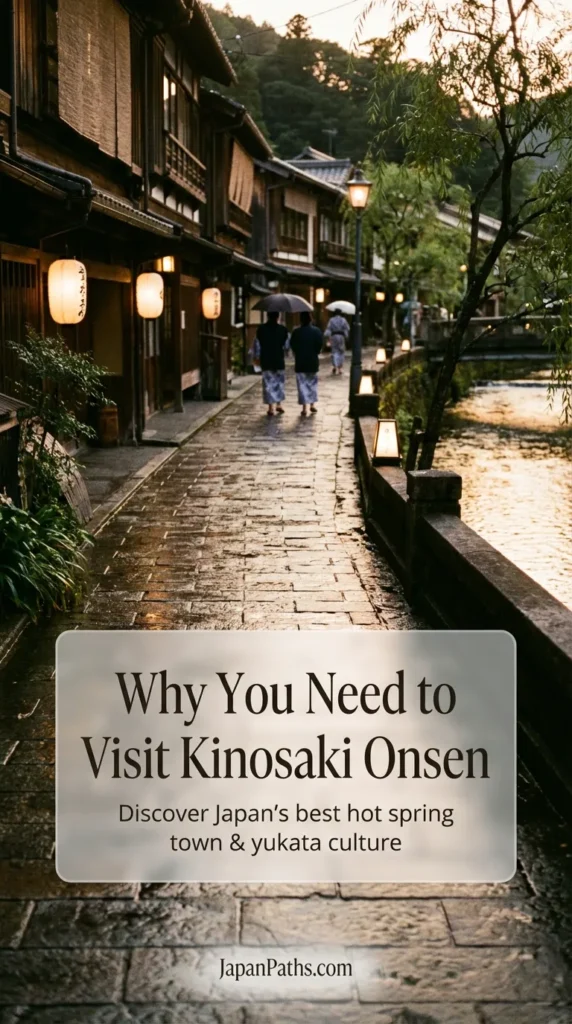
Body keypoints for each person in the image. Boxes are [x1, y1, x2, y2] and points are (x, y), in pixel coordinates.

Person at [253, 311, 289, 416]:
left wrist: (256, 357)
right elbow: (286, 346)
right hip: (278, 358)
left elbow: (257, 344)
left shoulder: (261, 329)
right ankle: (279, 404)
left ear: (267, 316)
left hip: (266, 358)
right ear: (278, 317)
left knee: (268, 384)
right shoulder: (283, 330)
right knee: (279, 383)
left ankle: (270, 408)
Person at [289, 311, 323, 416]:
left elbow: (292, 345)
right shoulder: (317, 331)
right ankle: (312, 405)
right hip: (312, 361)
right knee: (312, 384)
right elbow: (319, 346)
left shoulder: (296, 332)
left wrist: (297, 352)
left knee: (302, 385)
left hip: (300, 361)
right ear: (310, 319)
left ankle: (304, 408)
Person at [324, 309, 350, 374]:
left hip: (334, 336)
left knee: (334, 351)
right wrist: (346, 336)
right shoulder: (343, 320)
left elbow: (328, 328)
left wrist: (327, 336)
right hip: (341, 337)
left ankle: (335, 366)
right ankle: (340, 368)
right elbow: (347, 328)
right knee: (341, 352)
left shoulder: (331, 320)